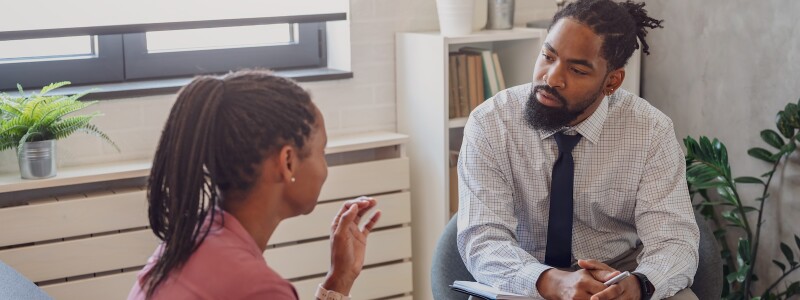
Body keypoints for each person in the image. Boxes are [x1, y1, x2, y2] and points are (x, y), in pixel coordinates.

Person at [456, 0, 699, 299]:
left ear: (612, 81)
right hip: (524, 277)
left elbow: (674, 241)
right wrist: (550, 281)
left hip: (614, 277)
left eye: (577, 70)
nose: (552, 78)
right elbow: (483, 239)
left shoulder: (651, 132)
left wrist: (637, 285)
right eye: (547, 56)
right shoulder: (491, 123)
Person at [127, 70, 380, 299]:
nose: (325, 169)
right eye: (322, 151)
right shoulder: (257, 289)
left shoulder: (187, 242)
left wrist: (340, 279)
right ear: (288, 162)